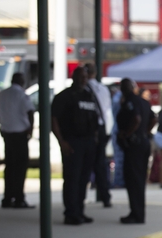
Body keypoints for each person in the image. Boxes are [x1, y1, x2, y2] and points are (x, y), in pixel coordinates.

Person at [51, 67, 100, 225]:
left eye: (85, 77)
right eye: (80, 76)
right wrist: (62, 141)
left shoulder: (89, 96)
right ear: (73, 77)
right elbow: (54, 120)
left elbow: (95, 118)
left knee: (83, 178)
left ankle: (80, 210)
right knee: (72, 178)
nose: (83, 79)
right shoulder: (64, 97)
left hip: (88, 142)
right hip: (72, 142)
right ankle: (71, 213)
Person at [0, 72, 35, 209]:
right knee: (20, 168)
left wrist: (4, 123)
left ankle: (7, 197)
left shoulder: (2, 94)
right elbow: (30, 112)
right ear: (21, 82)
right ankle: (19, 198)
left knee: (10, 167)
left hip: (7, 134)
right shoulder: (22, 95)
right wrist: (30, 130)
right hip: (20, 135)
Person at [116, 78, 156, 224]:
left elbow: (137, 119)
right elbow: (153, 118)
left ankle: (136, 213)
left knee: (133, 180)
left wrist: (128, 133)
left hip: (134, 146)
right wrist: (145, 132)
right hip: (143, 142)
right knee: (139, 180)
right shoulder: (143, 101)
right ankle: (137, 212)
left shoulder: (130, 102)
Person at [84, 63, 113, 207]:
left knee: (83, 165)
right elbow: (107, 108)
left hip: (87, 130)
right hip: (101, 128)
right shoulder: (103, 89)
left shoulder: (83, 90)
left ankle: (80, 198)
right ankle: (105, 196)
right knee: (101, 165)